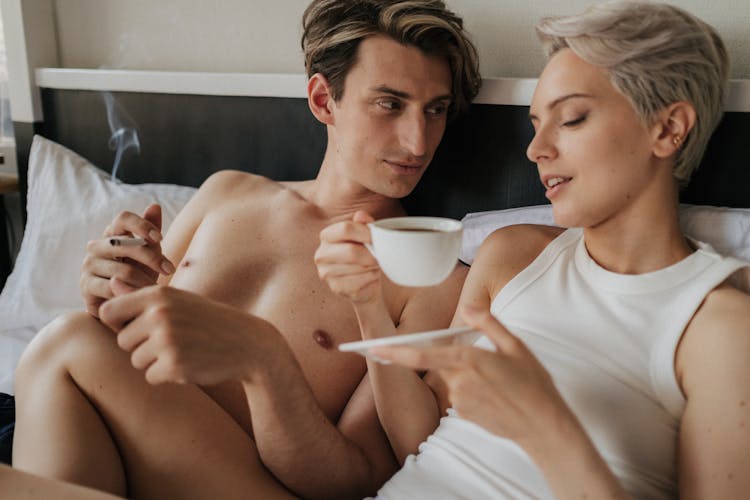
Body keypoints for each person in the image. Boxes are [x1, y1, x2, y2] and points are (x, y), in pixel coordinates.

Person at [8, 1, 480, 498]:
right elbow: (127, 348)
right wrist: (110, 287)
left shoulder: (431, 277)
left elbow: (356, 478)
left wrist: (267, 365)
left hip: (257, 485)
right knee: (74, 340)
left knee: (67, 342)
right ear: (323, 100)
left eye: (436, 110)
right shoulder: (226, 193)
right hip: (135, 461)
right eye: (390, 103)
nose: (417, 141)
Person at [318, 1, 750, 498]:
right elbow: (422, 441)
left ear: (668, 129)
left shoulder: (719, 328)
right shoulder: (512, 256)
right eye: (535, 123)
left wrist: (547, 431)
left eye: (570, 119)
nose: (535, 149)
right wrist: (369, 305)